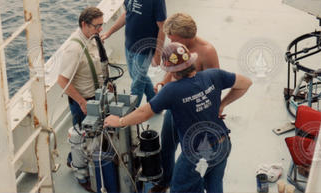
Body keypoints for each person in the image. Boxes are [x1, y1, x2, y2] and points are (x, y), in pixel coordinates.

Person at [104, 42, 252, 193]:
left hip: (198, 154)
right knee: (214, 185)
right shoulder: (214, 75)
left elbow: (144, 113)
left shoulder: (171, 91)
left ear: (172, 71)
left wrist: (120, 121)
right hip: (222, 143)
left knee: (179, 188)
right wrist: (222, 104)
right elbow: (246, 83)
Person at [152, 12, 221, 192]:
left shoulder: (207, 51)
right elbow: (175, 66)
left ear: (185, 37)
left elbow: (215, 84)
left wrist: (218, 107)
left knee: (191, 154)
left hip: (194, 114)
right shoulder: (179, 48)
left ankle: (194, 184)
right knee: (167, 145)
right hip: (175, 107)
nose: (168, 40)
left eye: (171, 37)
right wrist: (163, 83)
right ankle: (165, 179)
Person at [101, 0, 167, 107]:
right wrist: (109, 32)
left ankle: (131, 115)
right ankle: (155, 102)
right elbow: (126, 14)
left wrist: (157, 54)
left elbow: (163, 28)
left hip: (144, 50)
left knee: (136, 85)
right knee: (137, 77)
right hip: (129, 45)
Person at [57, 7, 104, 188]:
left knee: (92, 137)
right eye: (97, 26)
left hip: (96, 97)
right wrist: (82, 102)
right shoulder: (74, 48)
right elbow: (62, 81)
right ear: (84, 25)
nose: (100, 29)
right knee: (83, 139)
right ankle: (81, 174)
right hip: (83, 103)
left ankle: (71, 159)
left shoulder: (93, 38)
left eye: (102, 25)